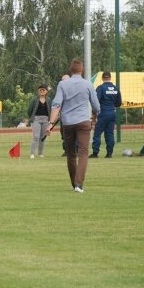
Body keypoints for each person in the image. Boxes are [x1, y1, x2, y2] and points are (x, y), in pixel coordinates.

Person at [45, 59, 100, 193]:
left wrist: (51, 123)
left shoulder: (62, 84)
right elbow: (96, 105)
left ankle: (74, 183)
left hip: (67, 123)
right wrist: (95, 116)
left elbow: (56, 104)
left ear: (70, 70)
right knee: (83, 152)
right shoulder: (88, 84)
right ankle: (79, 184)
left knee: (70, 154)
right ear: (82, 70)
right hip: (83, 122)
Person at [90, 71, 122, 158]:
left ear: (102, 78)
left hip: (103, 113)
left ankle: (95, 152)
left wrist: (94, 114)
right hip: (112, 113)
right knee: (110, 134)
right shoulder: (116, 88)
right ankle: (109, 153)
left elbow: (96, 102)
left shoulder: (101, 88)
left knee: (97, 133)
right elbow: (119, 103)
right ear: (110, 78)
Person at [27, 84, 51, 158]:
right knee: (36, 136)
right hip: (36, 119)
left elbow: (51, 109)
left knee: (43, 137)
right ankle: (32, 153)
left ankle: (40, 153)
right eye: (40, 90)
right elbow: (29, 110)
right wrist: (32, 117)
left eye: (43, 90)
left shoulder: (49, 100)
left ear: (46, 91)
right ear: (38, 91)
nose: (42, 91)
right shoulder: (34, 99)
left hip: (46, 119)